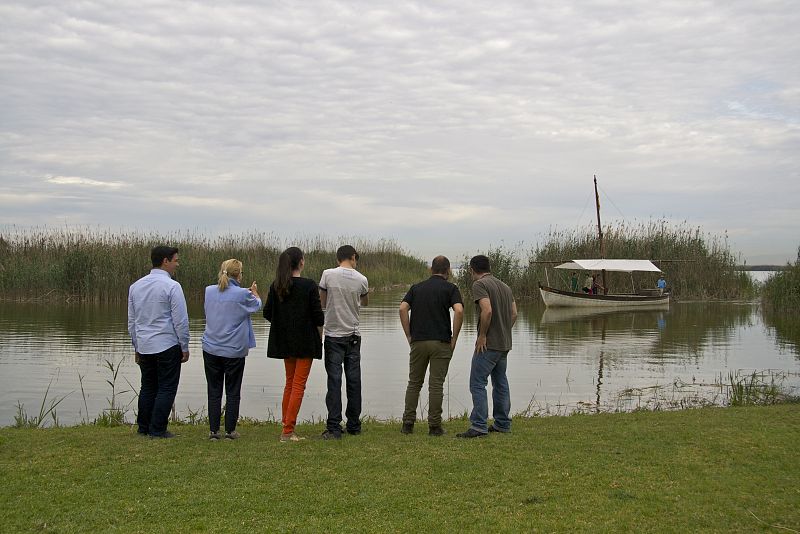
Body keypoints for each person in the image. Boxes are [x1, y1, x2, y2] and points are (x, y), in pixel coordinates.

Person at [127, 246, 190, 438]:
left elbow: (132, 321)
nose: (177, 264)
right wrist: (184, 346)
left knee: (147, 387)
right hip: (167, 344)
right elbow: (180, 320)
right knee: (167, 387)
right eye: (176, 260)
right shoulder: (172, 286)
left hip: (145, 345)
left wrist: (136, 346)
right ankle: (158, 429)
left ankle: (143, 427)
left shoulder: (136, 286)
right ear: (165, 261)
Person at [263, 247, 324, 442]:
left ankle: (286, 426)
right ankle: (288, 431)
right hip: (305, 341)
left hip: (285, 341)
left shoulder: (277, 285)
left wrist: (284, 323)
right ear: (301, 262)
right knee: (298, 384)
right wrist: (319, 335)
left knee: (290, 383)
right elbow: (318, 316)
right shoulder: (308, 286)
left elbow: (267, 313)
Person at [399, 256, 464, 436]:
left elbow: (402, 308)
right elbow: (459, 310)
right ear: (448, 271)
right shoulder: (451, 288)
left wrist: (408, 335)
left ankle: (408, 424)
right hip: (441, 341)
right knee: (436, 385)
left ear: (430, 269)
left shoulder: (416, 288)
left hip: (418, 341)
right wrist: (455, 337)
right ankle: (434, 427)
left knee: (414, 383)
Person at [457, 254, 517, 438]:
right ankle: (502, 423)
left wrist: (483, 335)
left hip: (488, 345)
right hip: (504, 343)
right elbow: (514, 313)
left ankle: (479, 426)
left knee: (477, 383)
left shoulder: (479, 285)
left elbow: (487, 310)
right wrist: (504, 330)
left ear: (472, 269)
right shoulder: (504, 286)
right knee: (500, 383)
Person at [202, 259, 261, 441]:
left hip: (211, 347)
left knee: (214, 390)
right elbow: (257, 306)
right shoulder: (243, 294)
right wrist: (255, 293)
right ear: (239, 274)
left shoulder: (209, 291)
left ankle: (213, 431)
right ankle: (230, 431)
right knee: (233, 391)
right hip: (234, 350)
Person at [319, 245, 369, 440]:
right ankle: (354, 425)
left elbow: (322, 302)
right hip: (354, 335)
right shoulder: (361, 279)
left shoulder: (328, 275)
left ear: (338, 258)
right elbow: (365, 303)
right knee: (354, 381)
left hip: (333, 334)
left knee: (334, 380)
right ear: (353, 257)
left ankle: (334, 427)